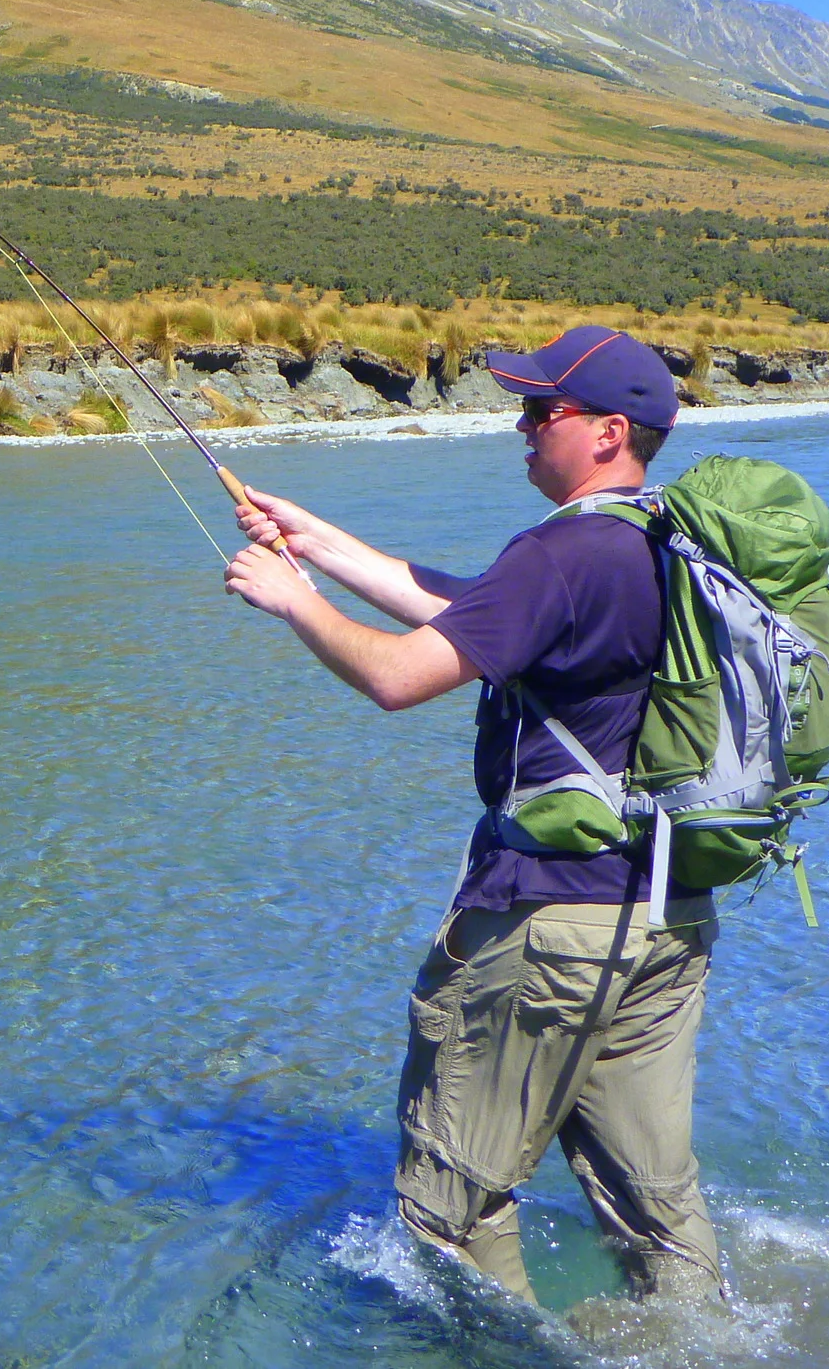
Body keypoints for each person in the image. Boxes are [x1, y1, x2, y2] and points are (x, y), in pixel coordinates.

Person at [223, 324, 724, 1309]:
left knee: (444, 1219)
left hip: (546, 929)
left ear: (608, 431)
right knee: (653, 1207)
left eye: (543, 410)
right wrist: (317, 543)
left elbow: (400, 678)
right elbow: (479, 613)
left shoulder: (560, 553)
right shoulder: (661, 539)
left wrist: (293, 600)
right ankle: (704, 1342)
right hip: (664, 919)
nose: (522, 426)